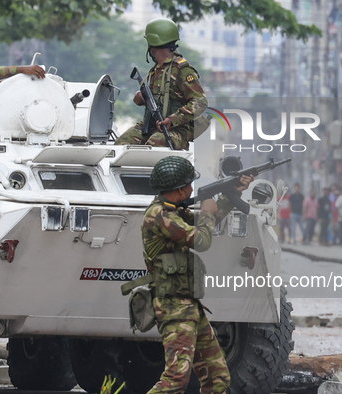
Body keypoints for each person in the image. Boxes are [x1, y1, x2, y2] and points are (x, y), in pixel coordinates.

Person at [143, 156, 253, 393]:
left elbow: (211, 218)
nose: (192, 188)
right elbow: (201, 240)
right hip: (174, 308)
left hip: (190, 306)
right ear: (180, 188)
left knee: (218, 377)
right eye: (189, 184)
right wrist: (206, 211)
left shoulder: (173, 212)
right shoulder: (159, 216)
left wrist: (233, 192)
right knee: (175, 379)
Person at [114, 18, 207, 150]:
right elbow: (160, 100)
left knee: (155, 145)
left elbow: (200, 102)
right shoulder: (157, 70)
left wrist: (173, 119)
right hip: (152, 125)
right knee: (121, 145)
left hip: (178, 129)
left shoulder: (182, 70)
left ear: (152, 43)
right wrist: (142, 97)